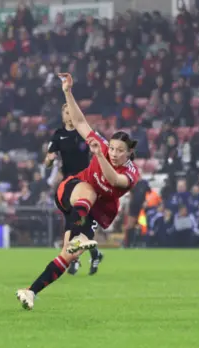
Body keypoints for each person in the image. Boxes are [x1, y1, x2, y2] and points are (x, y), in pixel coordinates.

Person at [16, 73, 141, 310]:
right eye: (112, 148)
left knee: (68, 255)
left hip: (93, 212)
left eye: (119, 151)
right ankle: (80, 238)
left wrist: (99, 156)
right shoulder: (102, 147)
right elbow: (81, 122)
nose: (113, 153)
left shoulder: (131, 172)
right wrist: (67, 91)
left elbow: (114, 179)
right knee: (89, 191)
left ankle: (30, 291)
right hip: (72, 191)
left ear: (128, 154)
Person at [46, 103, 104, 276]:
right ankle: (94, 254)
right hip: (67, 185)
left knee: (78, 222)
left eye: (71, 112)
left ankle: (76, 259)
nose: (69, 115)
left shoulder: (84, 132)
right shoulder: (58, 135)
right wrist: (49, 159)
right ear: (62, 115)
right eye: (66, 112)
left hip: (85, 184)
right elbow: (48, 159)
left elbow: (100, 148)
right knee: (75, 223)